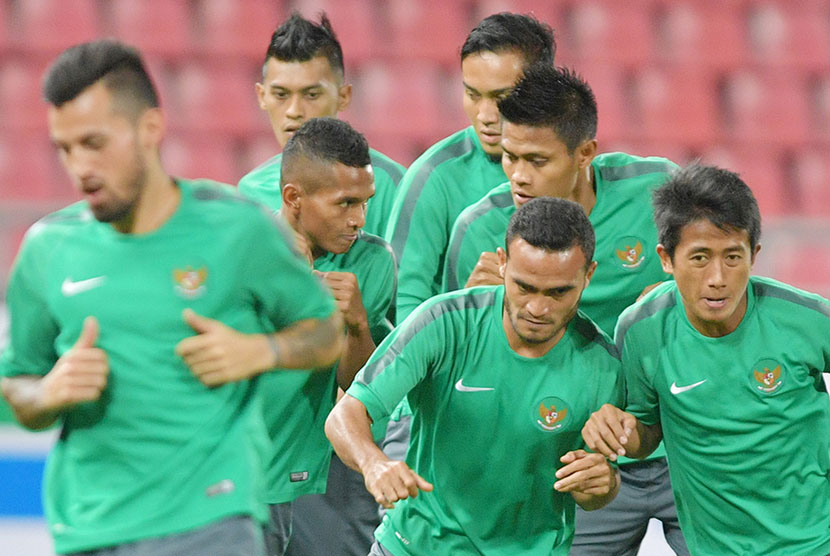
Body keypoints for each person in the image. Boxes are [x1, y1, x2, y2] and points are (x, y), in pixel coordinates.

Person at [0, 40, 342, 556]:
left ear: (150, 129)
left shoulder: (237, 230)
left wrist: (261, 352)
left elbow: (325, 332)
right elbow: (14, 385)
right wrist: (46, 393)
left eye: (94, 143)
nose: (79, 167)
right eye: (65, 149)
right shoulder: (48, 250)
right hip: (89, 527)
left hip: (210, 521)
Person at [442, 64, 689, 555]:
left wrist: (669, 301)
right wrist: (480, 312)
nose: (518, 175)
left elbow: (723, 273)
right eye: (509, 157)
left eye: (536, 159)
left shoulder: (659, 190)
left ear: (585, 154)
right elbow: (460, 374)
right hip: (575, 461)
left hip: (684, 444)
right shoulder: (480, 229)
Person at [327, 197, 623, 555]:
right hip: (414, 547)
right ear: (502, 263)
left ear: (588, 275)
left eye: (559, 292)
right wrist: (374, 464)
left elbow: (595, 487)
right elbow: (346, 414)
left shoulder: (603, 366)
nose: (537, 308)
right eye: (524, 286)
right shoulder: (444, 322)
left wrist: (603, 484)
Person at [583, 163, 830, 556]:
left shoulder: (805, 318)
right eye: (699, 258)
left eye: (733, 257)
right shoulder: (643, 330)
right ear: (666, 258)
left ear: (754, 255)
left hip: (814, 543)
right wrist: (621, 432)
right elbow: (646, 435)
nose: (718, 277)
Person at [255, 117, 396, 556]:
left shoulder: (372, 263)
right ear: (293, 198)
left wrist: (355, 324)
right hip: (234, 478)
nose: (358, 219)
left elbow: (360, 385)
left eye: (365, 203)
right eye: (344, 204)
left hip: (315, 479)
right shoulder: (241, 249)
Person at [386, 12, 556, 323]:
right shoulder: (433, 178)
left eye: (501, 97)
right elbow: (405, 298)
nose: (485, 114)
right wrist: (464, 317)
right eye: (472, 95)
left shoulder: (569, 166)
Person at [239, 12, 404, 238]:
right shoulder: (250, 192)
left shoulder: (393, 187)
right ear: (261, 96)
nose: (294, 111)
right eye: (281, 94)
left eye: (312, 95)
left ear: (343, 96)